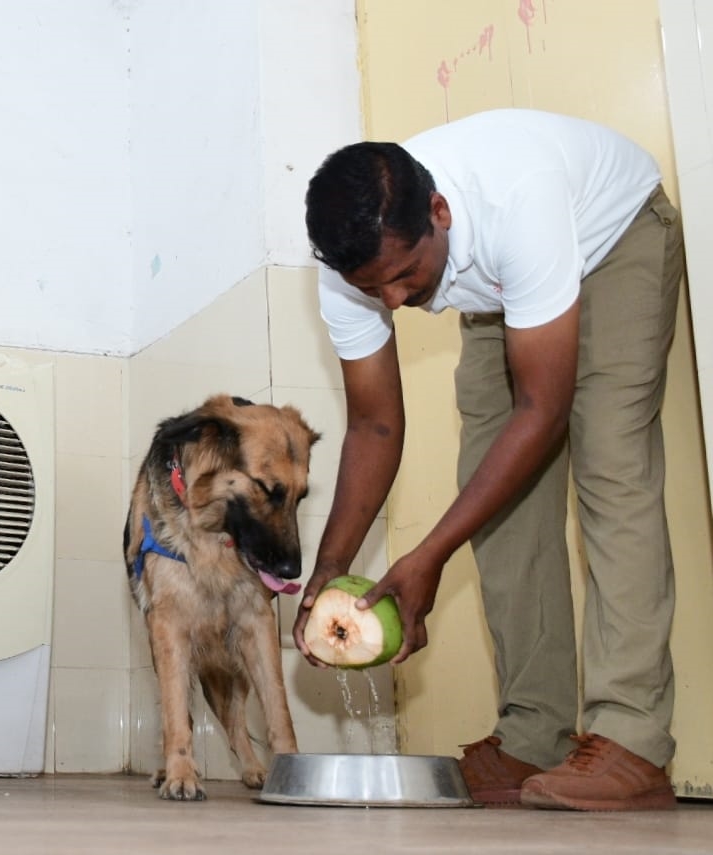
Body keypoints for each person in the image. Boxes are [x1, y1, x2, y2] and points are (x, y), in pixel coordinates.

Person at [293, 109, 684, 812]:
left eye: (405, 275)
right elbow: (375, 425)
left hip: (611, 242)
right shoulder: (355, 266)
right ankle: (533, 733)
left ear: (439, 212)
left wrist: (427, 556)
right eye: (370, 287)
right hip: (502, 289)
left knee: (610, 466)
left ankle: (632, 738)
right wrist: (329, 568)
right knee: (495, 497)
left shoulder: (515, 198)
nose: (392, 301)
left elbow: (543, 411)